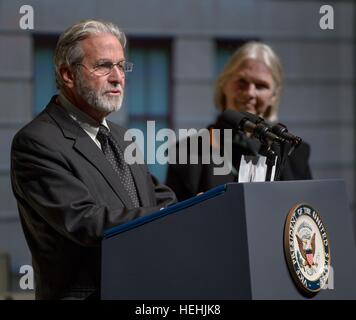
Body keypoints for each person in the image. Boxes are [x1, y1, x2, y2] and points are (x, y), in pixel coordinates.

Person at [10, 20, 176, 300]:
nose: (117, 77)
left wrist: (191, 211)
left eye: (122, 66)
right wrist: (167, 217)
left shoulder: (123, 137)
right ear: (67, 74)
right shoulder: (37, 142)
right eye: (103, 66)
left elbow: (157, 196)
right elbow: (86, 222)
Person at [166, 42, 312, 201]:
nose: (250, 93)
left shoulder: (293, 155)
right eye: (242, 82)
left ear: (274, 96)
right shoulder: (187, 152)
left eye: (261, 86)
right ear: (223, 86)